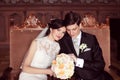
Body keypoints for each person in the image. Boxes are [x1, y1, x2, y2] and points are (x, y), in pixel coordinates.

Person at [58, 11, 112, 80]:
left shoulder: (91, 39)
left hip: (94, 77)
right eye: (68, 30)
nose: (71, 33)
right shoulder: (63, 40)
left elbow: (100, 64)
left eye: (74, 29)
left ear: (80, 25)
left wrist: (78, 61)